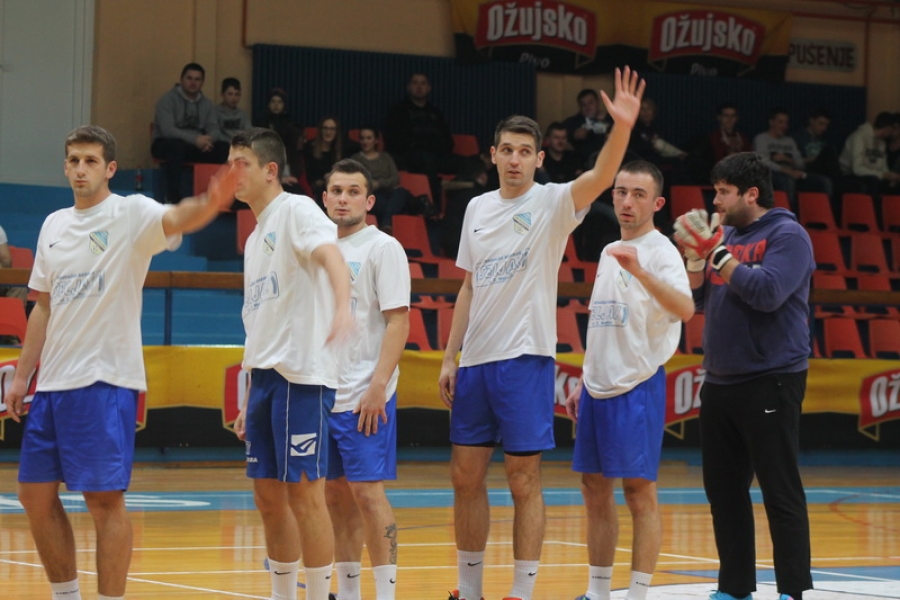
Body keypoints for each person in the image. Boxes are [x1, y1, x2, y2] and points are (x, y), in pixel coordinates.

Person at [437, 66, 645, 600]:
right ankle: (469, 589)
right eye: (507, 150)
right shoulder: (476, 208)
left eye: (524, 151)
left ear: (539, 159)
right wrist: (450, 356)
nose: (514, 159)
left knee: (523, 480)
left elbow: (601, 176)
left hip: (525, 361)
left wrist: (622, 126)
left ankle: (521, 592)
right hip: (475, 363)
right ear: (493, 155)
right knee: (465, 476)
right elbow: (468, 287)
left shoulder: (552, 203)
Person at [3, 124, 235, 600]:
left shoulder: (130, 213)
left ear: (110, 168)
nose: (80, 169)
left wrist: (210, 202)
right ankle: (66, 595)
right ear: (65, 166)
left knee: (104, 501)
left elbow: (178, 217)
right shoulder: (53, 225)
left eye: (90, 161)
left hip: (103, 382)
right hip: (52, 386)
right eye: (73, 161)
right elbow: (43, 305)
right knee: (34, 495)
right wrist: (22, 376)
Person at [673, 151, 814, 600]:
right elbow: (696, 301)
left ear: (751, 194)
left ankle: (793, 590)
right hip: (720, 379)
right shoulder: (728, 234)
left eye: (723, 192)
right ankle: (734, 589)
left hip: (771, 377)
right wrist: (694, 260)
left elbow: (768, 292)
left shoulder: (788, 235)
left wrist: (714, 253)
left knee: (779, 490)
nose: (715, 201)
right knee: (724, 493)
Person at [230, 127, 352, 600]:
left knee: (305, 493)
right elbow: (258, 322)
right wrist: (248, 396)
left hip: (301, 378)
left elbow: (331, 256)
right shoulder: (253, 239)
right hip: (264, 379)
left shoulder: (297, 210)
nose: (232, 173)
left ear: (269, 170)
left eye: (241, 164)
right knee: (266, 496)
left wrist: (343, 306)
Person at [565, 160, 693, 600]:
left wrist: (640, 271)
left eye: (639, 194)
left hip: (637, 385)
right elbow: (603, 322)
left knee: (639, 492)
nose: (627, 201)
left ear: (656, 203)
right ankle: (598, 593)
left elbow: (685, 308)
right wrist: (585, 379)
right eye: (621, 192)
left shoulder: (661, 252)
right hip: (597, 387)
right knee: (593, 488)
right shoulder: (608, 250)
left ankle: (637, 595)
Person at [321, 159, 410, 600]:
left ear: (369, 201)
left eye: (353, 192)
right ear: (324, 198)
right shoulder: (317, 248)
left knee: (368, 494)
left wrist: (378, 385)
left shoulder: (383, 247)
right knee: (334, 496)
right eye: (337, 191)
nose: (344, 199)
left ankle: (386, 595)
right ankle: (348, 593)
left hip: (364, 393)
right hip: (322, 389)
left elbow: (399, 321)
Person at [151, 62, 230, 203]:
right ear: (181, 79)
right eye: (189, 78)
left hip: (195, 145)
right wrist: (195, 140)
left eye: (197, 79)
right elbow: (167, 130)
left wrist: (208, 140)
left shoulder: (207, 104)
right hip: (166, 143)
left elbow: (215, 129)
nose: (193, 83)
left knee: (224, 148)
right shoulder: (167, 100)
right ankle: (172, 198)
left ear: (202, 82)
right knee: (176, 147)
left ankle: (216, 198)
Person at [383, 73, 460, 200]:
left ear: (429, 88)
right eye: (415, 83)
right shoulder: (398, 111)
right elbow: (394, 140)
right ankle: (432, 204)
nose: (419, 87)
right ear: (409, 87)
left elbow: (448, 141)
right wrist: (421, 144)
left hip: (437, 154)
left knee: (466, 163)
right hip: (410, 156)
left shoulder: (436, 113)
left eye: (423, 83)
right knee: (428, 161)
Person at [753, 107, 832, 210]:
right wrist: (786, 171)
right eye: (780, 122)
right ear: (771, 122)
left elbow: (800, 164)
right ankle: (789, 215)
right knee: (787, 181)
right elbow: (764, 162)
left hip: (793, 173)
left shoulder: (789, 140)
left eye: (786, 123)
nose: (784, 126)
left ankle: (822, 215)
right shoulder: (761, 138)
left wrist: (787, 159)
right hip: (772, 175)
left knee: (823, 182)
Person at [350, 127, 408, 231]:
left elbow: (395, 178)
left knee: (401, 193)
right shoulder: (355, 159)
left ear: (376, 140)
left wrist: (379, 183)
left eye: (369, 138)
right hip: (370, 194)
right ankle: (386, 224)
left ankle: (385, 223)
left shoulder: (385, 157)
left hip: (389, 192)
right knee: (382, 201)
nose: (365, 141)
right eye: (362, 138)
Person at [253, 87, 305, 192]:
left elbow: (292, 151)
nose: (276, 105)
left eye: (279, 102)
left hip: (285, 164)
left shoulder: (291, 125)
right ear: (268, 104)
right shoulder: (261, 123)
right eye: (273, 101)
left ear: (284, 105)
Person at [839, 111, 900, 196]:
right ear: (887, 129)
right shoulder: (859, 136)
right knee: (873, 181)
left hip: (871, 173)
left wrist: (891, 176)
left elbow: (883, 167)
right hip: (849, 174)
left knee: (894, 184)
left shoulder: (882, 142)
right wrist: (882, 175)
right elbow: (857, 169)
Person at [563, 89, 613, 166]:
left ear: (597, 103)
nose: (587, 107)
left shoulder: (610, 120)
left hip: (608, 161)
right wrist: (573, 136)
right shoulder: (572, 122)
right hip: (582, 164)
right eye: (583, 104)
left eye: (591, 102)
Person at [304, 116, 345, 202]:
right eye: (325, 128)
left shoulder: (341, 150)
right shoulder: (309, 148)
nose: (328, 132)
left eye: (332, 129)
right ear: (320, 130)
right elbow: (307, 175)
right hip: (316, 189)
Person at [216, 77, 251, 143]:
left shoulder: (243, 115)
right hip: (222, 145)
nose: (234, 98)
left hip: (240, 145)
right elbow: (215, 134)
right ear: (222, 95)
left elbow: (248, 133)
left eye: (237, 94)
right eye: (230, 94)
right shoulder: (215, 113)